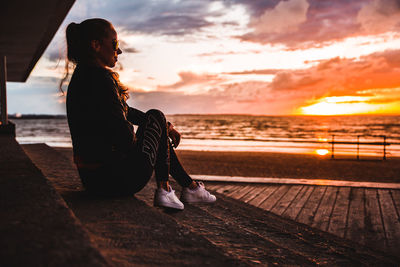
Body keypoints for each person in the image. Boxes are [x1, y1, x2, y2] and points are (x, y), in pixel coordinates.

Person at [64, 18, 216, 210]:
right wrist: (154, 138)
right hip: (117, 180)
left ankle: (190, 188)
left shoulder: (83, 77)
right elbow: (124, 137)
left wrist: (162, 128)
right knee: (156, 114)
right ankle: (166, 189)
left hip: (93, 180)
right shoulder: (101, 79)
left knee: (156, 119)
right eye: (115, 44)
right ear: (96, 45)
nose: (118, 51)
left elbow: (124, 112)